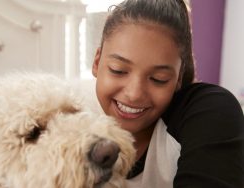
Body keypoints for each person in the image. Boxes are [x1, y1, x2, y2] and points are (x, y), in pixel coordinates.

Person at [89, 0, 244, 187]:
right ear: (97, 62)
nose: (134, 94)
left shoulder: (212, 111)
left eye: (158, 78)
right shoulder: (72, 117)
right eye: (118, 70)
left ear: (178, 78)